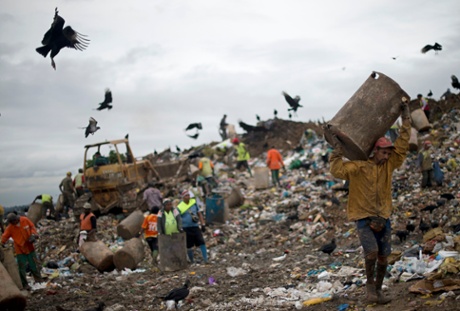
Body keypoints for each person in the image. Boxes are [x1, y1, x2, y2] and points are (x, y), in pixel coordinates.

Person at [329, 101, 411, 304]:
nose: (387, 156)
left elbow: (401, 146)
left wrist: (406, 119)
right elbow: (337, 170)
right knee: (372, 252)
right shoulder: (359, 167)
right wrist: (338, 149)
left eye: (388, 153)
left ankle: (378, 290)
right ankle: (369, 288)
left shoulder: (389, 165)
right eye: (384, 152)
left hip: (384, 216)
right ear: (375, 151)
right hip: (364, 217)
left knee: (384, 257)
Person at [1, 213, 43, 290]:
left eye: (14, 221)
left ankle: (39, 280)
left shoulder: (24, 220)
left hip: (30, 247)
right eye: (12, 222)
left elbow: (32, 227)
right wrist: (1, 243)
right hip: (20, 250)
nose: (14, 223)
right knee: (22, 268)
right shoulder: (10, 228)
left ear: (16, 219)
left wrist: (34, 235)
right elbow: (4, 237)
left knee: (34, 265)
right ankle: (25, 284)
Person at [177, 190, 208, 264]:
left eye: (188, 195)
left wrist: (203, 224)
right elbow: (178, 219)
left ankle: (205, 259)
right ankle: (192, 261)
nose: (188, 197)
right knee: (189, 245)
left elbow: (199, 213)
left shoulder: (193, 203)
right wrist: (180, 228)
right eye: (186, 196)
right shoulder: (179, 207)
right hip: (186, 228)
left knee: (201, 242)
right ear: (183, 197)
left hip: (195, 226)